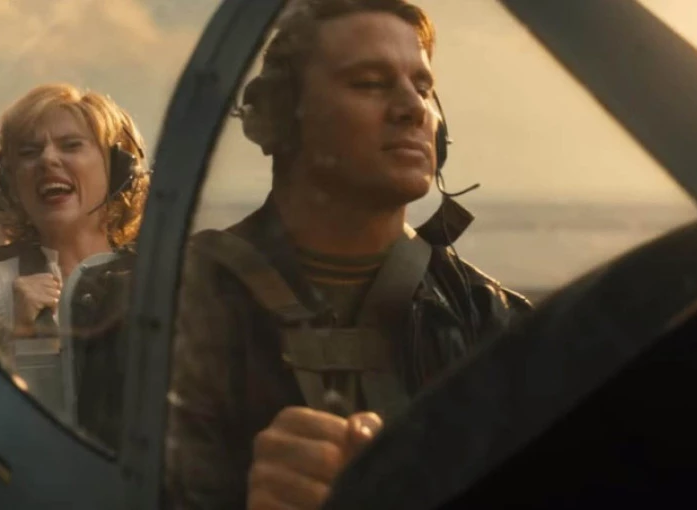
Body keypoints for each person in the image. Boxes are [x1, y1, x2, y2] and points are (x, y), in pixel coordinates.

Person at [164, 1, 532, 509]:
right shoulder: (169, 305)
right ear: (278, 117)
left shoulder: (491, 320)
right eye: (370, 83)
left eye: (423, 87)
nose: (413, 108)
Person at [0, 83, 150, 445]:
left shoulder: (161, 285)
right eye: (29, 152)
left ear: (120, 169)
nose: (47, 160)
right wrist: (19, 340)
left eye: (71, 145)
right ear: (11, 184)